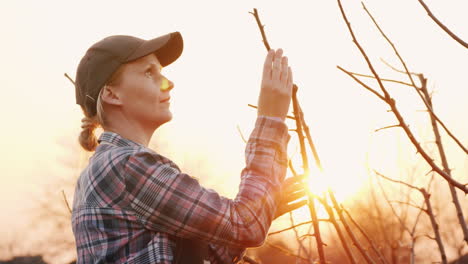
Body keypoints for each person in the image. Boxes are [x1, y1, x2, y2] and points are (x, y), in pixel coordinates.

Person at [71, 31, 307, 264]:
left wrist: (263, 207)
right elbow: (245, 226)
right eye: (148, 72)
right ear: (112, 94)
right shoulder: (127, 165)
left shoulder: (109, 167)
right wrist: (270, 119)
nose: (168, 83)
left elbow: (201, 256)